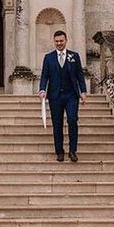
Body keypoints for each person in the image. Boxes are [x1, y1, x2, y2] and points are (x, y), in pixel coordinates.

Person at [38, 30, 87, 162]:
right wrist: (42, 89)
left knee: (72, 120)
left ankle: (72, 150)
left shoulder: (74, 56)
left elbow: (79, 75)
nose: (59, 43)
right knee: (57, 123)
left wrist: (83, 91)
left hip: (71, 95)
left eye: (61, 41)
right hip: (55, 96)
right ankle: (59, 151)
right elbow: (44, 76)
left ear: (66, 41)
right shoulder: (48, 58)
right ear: (54, 42)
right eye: (57, 41)